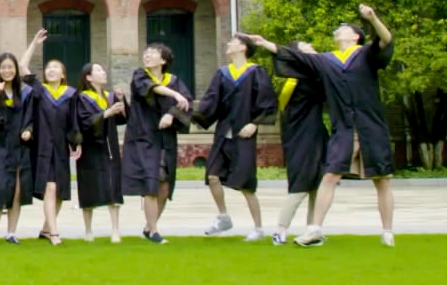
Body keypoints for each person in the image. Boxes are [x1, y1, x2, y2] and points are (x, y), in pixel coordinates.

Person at [247, 4, 396, 248]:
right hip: (344, 129)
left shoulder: (366, 55)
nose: (338, 31)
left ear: (355, 37)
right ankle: (314, 229)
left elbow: (386, 40)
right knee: (329, 176)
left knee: (382, 180)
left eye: (343, 28)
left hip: (371, 127)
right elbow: (295, 56)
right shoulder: (327, 61)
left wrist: (372, 18)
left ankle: (387, 231)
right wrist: (265, 44)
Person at [193, 34, 277, 242]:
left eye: (233, 42)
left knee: (246, 184)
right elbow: (211, 101)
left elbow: (267, 102)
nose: (228, 44)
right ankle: (223, 217)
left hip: (244, 134)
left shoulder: (256, 72)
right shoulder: (222, 73)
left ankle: (258, 229)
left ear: (243, 48)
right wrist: (189, 114)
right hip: (224, 132)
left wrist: (254, 123)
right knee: (213, 175)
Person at [121, 43, 192, 245]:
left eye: (153, 53)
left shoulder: (174, 81)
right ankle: (154, 231)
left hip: (165, 140)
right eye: (146, 53)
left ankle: (148, 227)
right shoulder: (139, 76)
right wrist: (174, 95)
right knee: (150, 184)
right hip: (143, 137)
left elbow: (187, 104)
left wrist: (171, 114)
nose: (147, 55)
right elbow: (150, 89)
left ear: (163, 60)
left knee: (164, 187)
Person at [20, 30, 80, 246]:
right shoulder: (39, 90)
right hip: (43, 146)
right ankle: (54, 234)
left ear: (63, 74)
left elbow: (74, 121)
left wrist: (76, 142)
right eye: (48, 67)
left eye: (56, 67)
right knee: (51, 188)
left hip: (61, 147)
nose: (51, 70)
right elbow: (22, 67)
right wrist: (34, 43)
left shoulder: (71, 94)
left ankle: (46, 229)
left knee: (60, 193)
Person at [268, 41, 328, 245]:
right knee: (301, 186)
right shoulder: (300, 82)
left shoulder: (300, 79)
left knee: (317, 186)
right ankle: (280, 230)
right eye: (306, 48)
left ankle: (312, 230)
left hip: (313, 135)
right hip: (303, 139)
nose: (312, 48)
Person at [0, 48, 36, 245]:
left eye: (11, 67)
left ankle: (11, 233)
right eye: (3, 67)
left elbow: (31, 117)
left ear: (16, 70)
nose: (7, 71)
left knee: (17, 189)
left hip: (19, 146)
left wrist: (28, 130)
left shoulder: (24, 92)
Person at [75, 63, 125, 244]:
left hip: (109, 147)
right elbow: (84, 122)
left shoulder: (109, 97)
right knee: (88, 187)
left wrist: (121, 101)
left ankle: (115, 229)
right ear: (88, 77)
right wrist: (106, 113)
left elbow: (121, 119)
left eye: (103, 70)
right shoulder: (82, 98)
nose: (103, 72)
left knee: (113, 187)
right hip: (90, 148)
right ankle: (88, 230)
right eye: (98, 70)